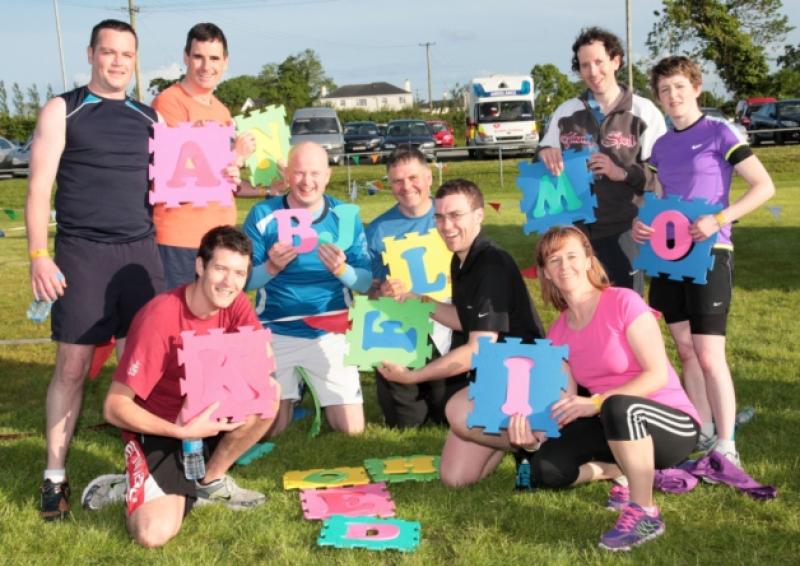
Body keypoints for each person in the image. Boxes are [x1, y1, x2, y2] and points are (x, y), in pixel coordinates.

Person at [25, 19, 166, 521]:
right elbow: (39, 189)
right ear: (90, 54)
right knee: (72, 367)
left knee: (141, 369)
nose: (118, 62)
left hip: (139, 256)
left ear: (135, 59)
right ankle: (55, 477)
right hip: (82, 255)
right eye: (108, 52)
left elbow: (178, 182)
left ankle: (143, 468)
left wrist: (229, 165)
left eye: (126, 54)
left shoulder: (150, 117)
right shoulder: (64, 109)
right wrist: (40, 256)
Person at [506, 225, 700, 551]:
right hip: (611, 423)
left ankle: (644, 511)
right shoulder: (557, 333)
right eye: (554, 260)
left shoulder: (624, 301)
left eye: (571, 256)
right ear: (547, 274)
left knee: (618, 405)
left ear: (587, 261)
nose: (564, 265)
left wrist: (595, 402)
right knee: (546, 468)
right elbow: (564, 402)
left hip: (671, 424)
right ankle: (619, 469)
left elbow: (657, 376)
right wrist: (531, 438)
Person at [633, 56, 775, 467]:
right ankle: (705, 429)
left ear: (696, 88)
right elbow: (656, 198)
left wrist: (719, 218)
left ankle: (727, 444)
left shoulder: (719, 132)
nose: (672, 96)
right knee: (685, 350)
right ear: (658, 98)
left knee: (710, 354)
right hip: (667, 255)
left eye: (679, 87)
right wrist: (643, 226)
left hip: (710, 254)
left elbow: (763, 186)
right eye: (664, 90)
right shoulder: (660, 146)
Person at [102, 226, 279, 548]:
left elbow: (263, 359)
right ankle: (126, 482)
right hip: (160, 428)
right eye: (221, 269)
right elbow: (114, 407)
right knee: (152, 534)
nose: (229, 282)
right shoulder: (161, 317)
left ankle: (209, 481)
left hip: (204, 415)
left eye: (239, 273)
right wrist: (180, 431)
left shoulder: (235, 302)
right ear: (200, 266)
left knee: (269, 392)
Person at [379, 179, 545, 486]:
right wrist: (419, 300)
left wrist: (412, 377)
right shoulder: (462, 258)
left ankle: (537, 443)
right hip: (501, 373)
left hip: (528, 376)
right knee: (456, 478)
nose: (446, 225)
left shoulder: (490, 263)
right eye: (440, 217)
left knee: (457, 410)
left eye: (456, 215)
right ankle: (518, 440)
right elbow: (465, 320)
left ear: (479, 216)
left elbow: (477, 349)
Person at [243, 142, 372, 436]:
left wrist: (343, 271)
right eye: (299, 173)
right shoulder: (262, 213)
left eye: (315, 173)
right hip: (276, 329)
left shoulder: (346, 215)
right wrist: (271, 268)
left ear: (327, 175)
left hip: (331, 330)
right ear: (287, 174)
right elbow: (245, 281)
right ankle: (293, 391)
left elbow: (365, 283)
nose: (307, 181)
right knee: (271, 429)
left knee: (351, 430)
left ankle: (305, 386)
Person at [538, 27, 666, 294]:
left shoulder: (644, 111)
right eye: (585, 65)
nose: (593, 72)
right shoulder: (566, 111)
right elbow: (542, 166)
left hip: (625, 229)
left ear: (616, 61)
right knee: (583, 310)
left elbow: (662, 174)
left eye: (599, 62)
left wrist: (623, 173)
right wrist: (543, 154)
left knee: (626, 310)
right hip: (576, 234)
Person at [152, 22, 258, 289]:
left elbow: (225, 183)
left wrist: (269, 189)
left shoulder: (221, 111)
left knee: (211, 327)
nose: (205, 66)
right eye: (198, 57)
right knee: (179, 326)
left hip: (219, 241)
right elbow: (179, 178)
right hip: (181, 240)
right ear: (186, 57)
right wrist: (236, 157)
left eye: (214, 58)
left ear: (225, 62)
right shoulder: (169, 102)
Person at [365, 147, 449, 428]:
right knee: (405, 423)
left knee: (447, 415)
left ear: (428, 178)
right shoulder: (378, 230)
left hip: (449, 315)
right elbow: (370, 292)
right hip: (404, 320)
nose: (406, 187)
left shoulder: (450, 215)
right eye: (397, 181)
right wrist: (382, 292)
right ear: (389, 184)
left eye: (413, 178)